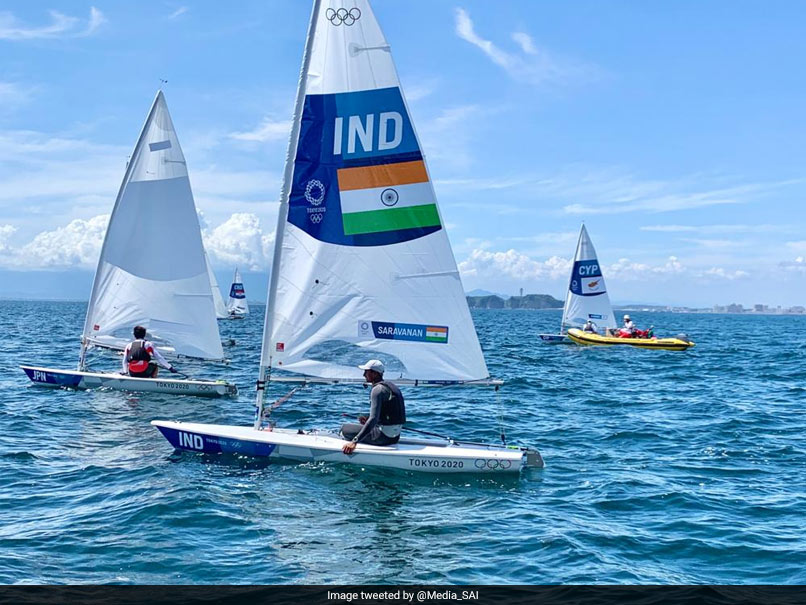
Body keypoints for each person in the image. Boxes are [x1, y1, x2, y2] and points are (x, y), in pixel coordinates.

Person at [341, 359, 406, 454]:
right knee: (364, 426)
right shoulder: (392, 386)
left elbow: (373, 419)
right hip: (395, 438)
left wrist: (354, 441)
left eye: (366, 372)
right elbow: (387, 414)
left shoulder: (377, 390)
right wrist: (368, 420)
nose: (364, 375)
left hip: (382, 438)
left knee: (344, 429)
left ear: (374, 373)